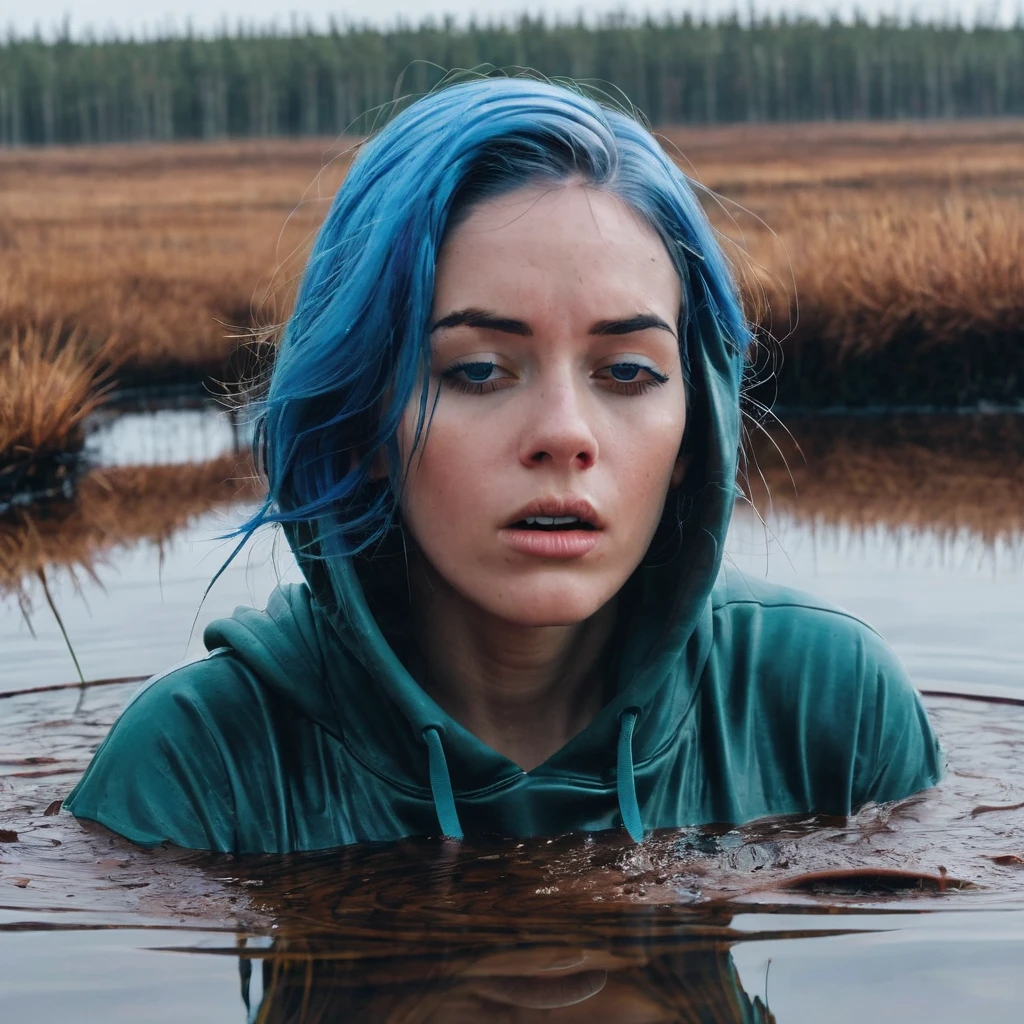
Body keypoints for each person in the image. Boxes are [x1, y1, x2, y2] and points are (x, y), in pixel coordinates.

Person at [65, 77, 943, 853]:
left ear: (695, 434)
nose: (564, 435)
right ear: (358, 425)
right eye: (478, 371)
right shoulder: (192, 768)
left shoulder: (832, 712)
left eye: (628, 373)